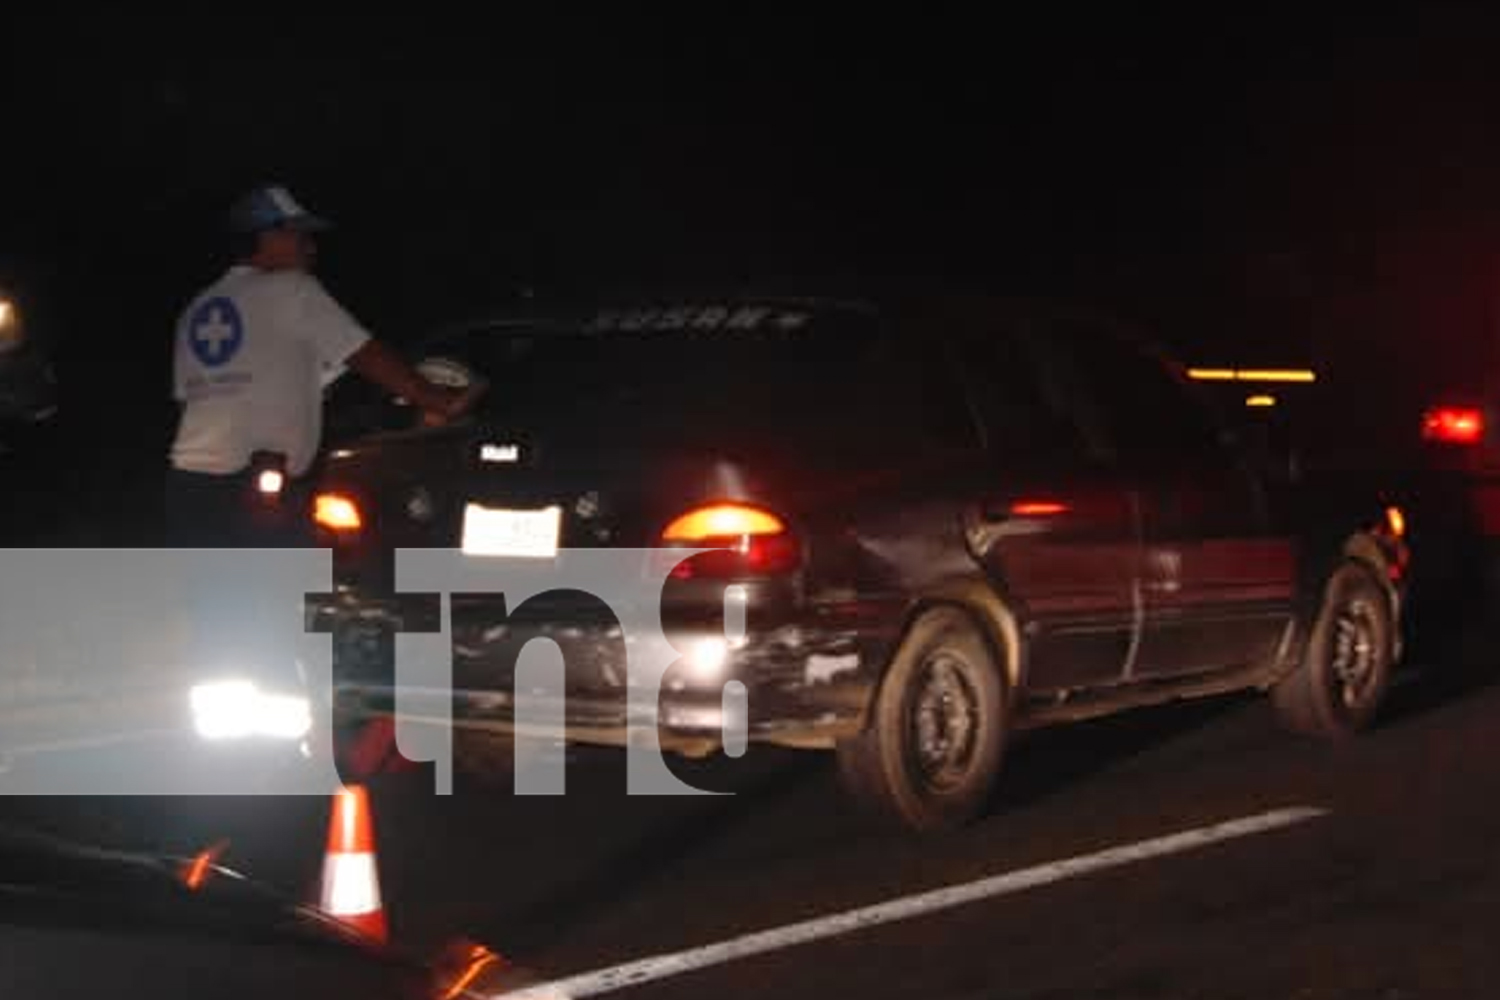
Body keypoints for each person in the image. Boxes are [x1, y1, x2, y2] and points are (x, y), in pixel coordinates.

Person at [164, 183, 478, 546]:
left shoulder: (198, 308)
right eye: (300, 235)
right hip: (256, 493)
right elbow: (367, 356)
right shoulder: (294, 289)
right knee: (272, 598)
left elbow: (190, 399)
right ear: (268, 237)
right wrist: (441, 402)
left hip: (188, 486)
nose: (310, 247)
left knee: (206, 599)